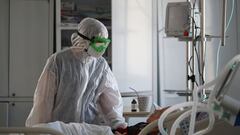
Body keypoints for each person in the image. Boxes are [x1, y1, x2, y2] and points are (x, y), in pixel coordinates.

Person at [26, 17, 127, 130]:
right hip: (61, 129)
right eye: (98, 44)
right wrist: (39, 129)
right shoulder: (59, 61)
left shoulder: (101, 65)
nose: (101, 49)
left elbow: (111, 100)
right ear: (85, 40)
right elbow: (44, 101)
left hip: (88, 129)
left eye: (104, 44)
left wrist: (118, 124)